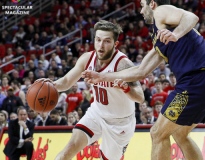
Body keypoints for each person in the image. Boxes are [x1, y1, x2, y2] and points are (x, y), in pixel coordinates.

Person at [82, 1, 205, 160]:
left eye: (143, 5)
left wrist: (176, 34)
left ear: (152, 4)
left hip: (196, 82)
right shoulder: (160, 37)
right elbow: (140, 71)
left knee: (157, 133)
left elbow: (191, 17)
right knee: (179, 134)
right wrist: (101, 76)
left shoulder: (161, 12)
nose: (141, 10)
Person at [38, 20, 144, 160]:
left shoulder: (123, 64)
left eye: (106, 41)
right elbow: (66, 81)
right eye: (98, 40)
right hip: (97, 114)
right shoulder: (87, 58)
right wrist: (52, 85)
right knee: (67, 151)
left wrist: (125, 88)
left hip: (120, 123)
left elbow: (140, 97)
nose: (101, 45)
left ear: (115, 44)